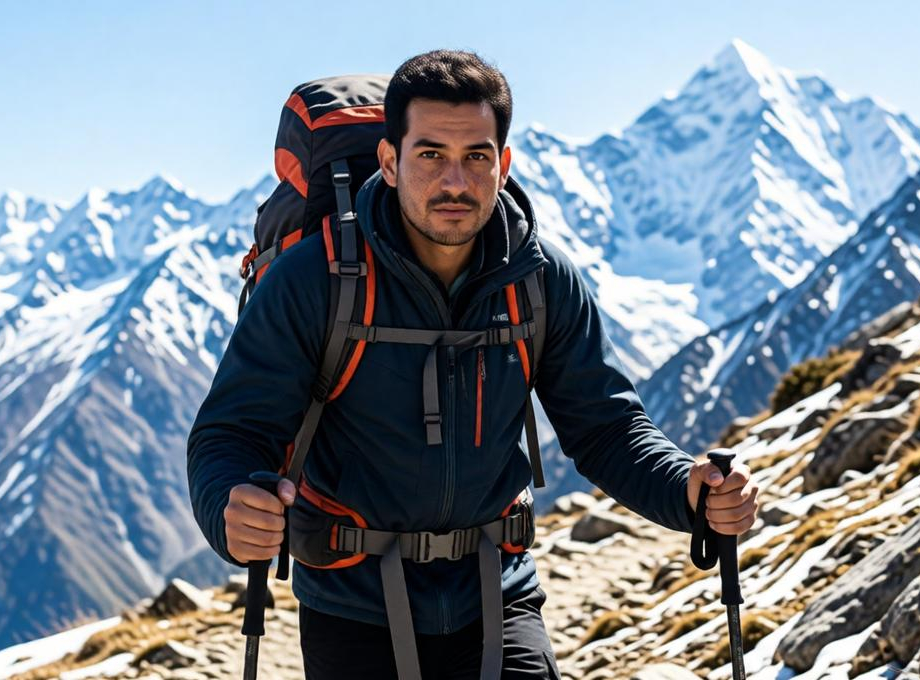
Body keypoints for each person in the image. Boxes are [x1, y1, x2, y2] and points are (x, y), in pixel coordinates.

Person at [187, 49, 760, 680]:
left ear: (503, 162)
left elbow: (605, 427)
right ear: (389, 159)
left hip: (498, 594)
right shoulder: (316, 280)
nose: (455, 182)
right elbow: (231, 433)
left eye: (476, 157)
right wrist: (229, 508)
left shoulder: (539, 280)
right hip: (353, 607)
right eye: (431, 154)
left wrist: (688, 490)